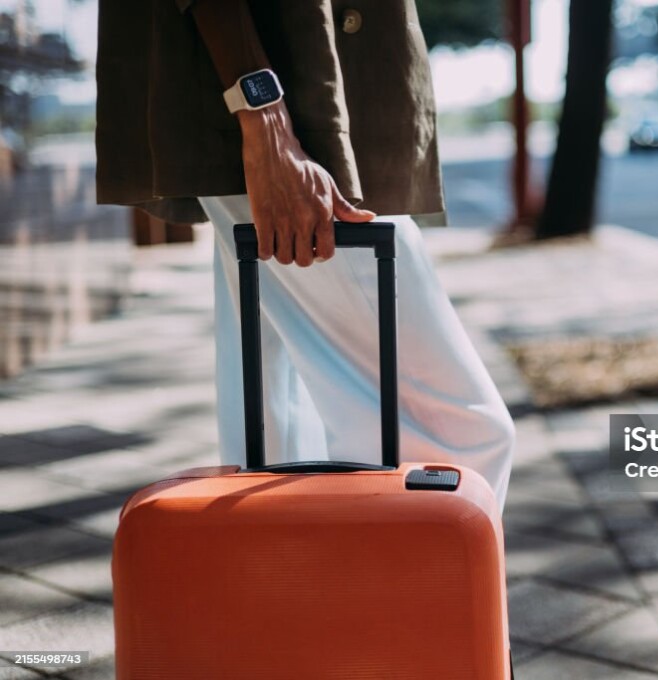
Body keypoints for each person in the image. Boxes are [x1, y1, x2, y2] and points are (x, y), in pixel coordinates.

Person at [94, 0, 514, 507]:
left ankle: (299, 585)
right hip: (290, 122)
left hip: (287, 116)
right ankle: (388, 587)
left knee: (278, 442)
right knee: (460, 438)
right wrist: (262, 114)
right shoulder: (273, 127)